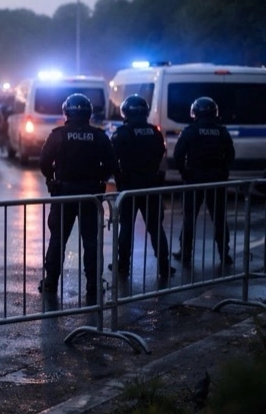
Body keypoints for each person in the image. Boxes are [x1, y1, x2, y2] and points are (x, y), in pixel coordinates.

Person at [38, 93, 115, 304]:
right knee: (90, 241)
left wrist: (51, 177)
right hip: (90, 195)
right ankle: (93, 284)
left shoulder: (59, 135)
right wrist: (99, 178)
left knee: (57, 240)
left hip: (64, 194)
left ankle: (51, 282)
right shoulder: (98, 136)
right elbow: (110, 164)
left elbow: (44, 162)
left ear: (67, 112)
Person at [110, 95, 175, 279]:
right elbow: (161, 154)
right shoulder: (155, 132)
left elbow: (113, 159)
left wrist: (118, 175)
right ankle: (164, 266)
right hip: (151, 187)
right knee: (156, 228)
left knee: (126, 228)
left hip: (128, 188)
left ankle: (122, 266)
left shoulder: (122, 133)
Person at [172, 96, 235, 266]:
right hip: (216, 182)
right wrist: (221, 171)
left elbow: (178, 156)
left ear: (196, 112)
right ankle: (224, 254)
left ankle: (185, 252)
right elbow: (231, 155)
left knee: (189, 218)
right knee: (219, 219)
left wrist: (184, 172)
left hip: (194, 181)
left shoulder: (190, 131)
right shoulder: (222, 131)